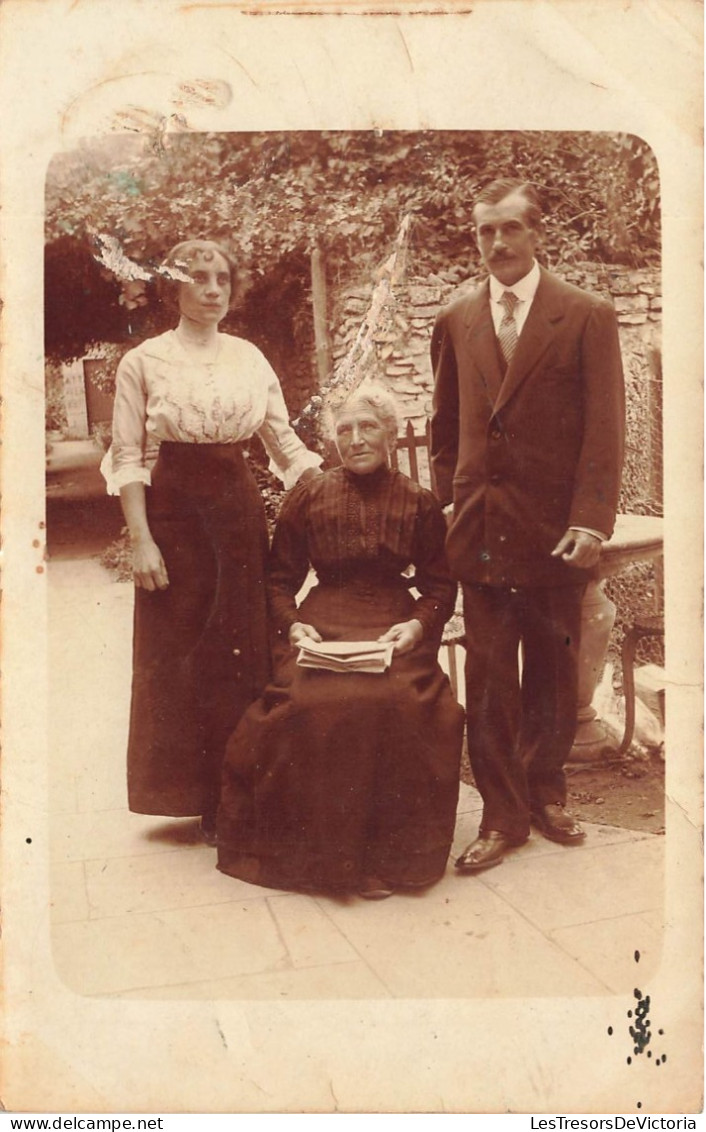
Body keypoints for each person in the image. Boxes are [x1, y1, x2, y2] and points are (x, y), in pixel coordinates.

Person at [430, 178, 625, 873]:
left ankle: (546, 795)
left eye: (510, 229)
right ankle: (501, 817)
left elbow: (606, 429)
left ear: (537, 234)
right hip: (481, 530)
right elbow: (443, 429)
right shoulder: (456, 316)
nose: (498, 244)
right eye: (485, 231)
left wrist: (591, 521)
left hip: (555, 532)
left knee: (551, 669)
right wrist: (451, 502)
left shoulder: (585, 314)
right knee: (487, 680)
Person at [102, 239, 322, 841]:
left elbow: (284, 446)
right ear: (174, 287)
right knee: (184, 656)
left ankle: (241, 791)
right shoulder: (143, 362)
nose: (212, 289)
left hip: (238, 517)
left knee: (243, 651)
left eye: (222, 277)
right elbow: (129, 455)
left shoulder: (250, 358)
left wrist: (332, 490)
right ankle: (194, 793)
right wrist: (142, 541)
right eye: (198, 278)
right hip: (174, 521)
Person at [216, 384, 465, 898]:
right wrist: (293, 625)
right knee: (308, 700)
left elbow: (440, 584)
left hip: (392, 626)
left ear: (392, 434)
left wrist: (417, 626)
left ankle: (390, 856)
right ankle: (328, 861)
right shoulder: (308, 495)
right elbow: (279, 580)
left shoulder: (419, 503)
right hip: (323, 622)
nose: (355, 439)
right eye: (345, 430)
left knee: (398, 700)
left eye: (367, 427)